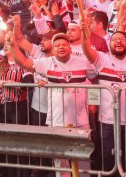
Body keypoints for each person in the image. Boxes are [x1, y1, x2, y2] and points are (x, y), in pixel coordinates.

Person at [8, 32, 91, 177]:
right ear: (52, 50)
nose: (61, 47)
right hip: (57, 120)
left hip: (81, 120)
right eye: (57, 45)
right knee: (60, 162)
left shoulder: (83, 61)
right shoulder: (47, 62)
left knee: (83, 159)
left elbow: (96, 72)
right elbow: (24, 63)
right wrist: (13, 46)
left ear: (71, 48)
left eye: (65, 44)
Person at [80, 20, 126, 176]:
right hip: (107, 121)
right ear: (109, 44)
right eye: (115, 39)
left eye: (122, 39)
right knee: (109, 157)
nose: (118, 41)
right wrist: (84, 34)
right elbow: (86, 49)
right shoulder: (102, 59)